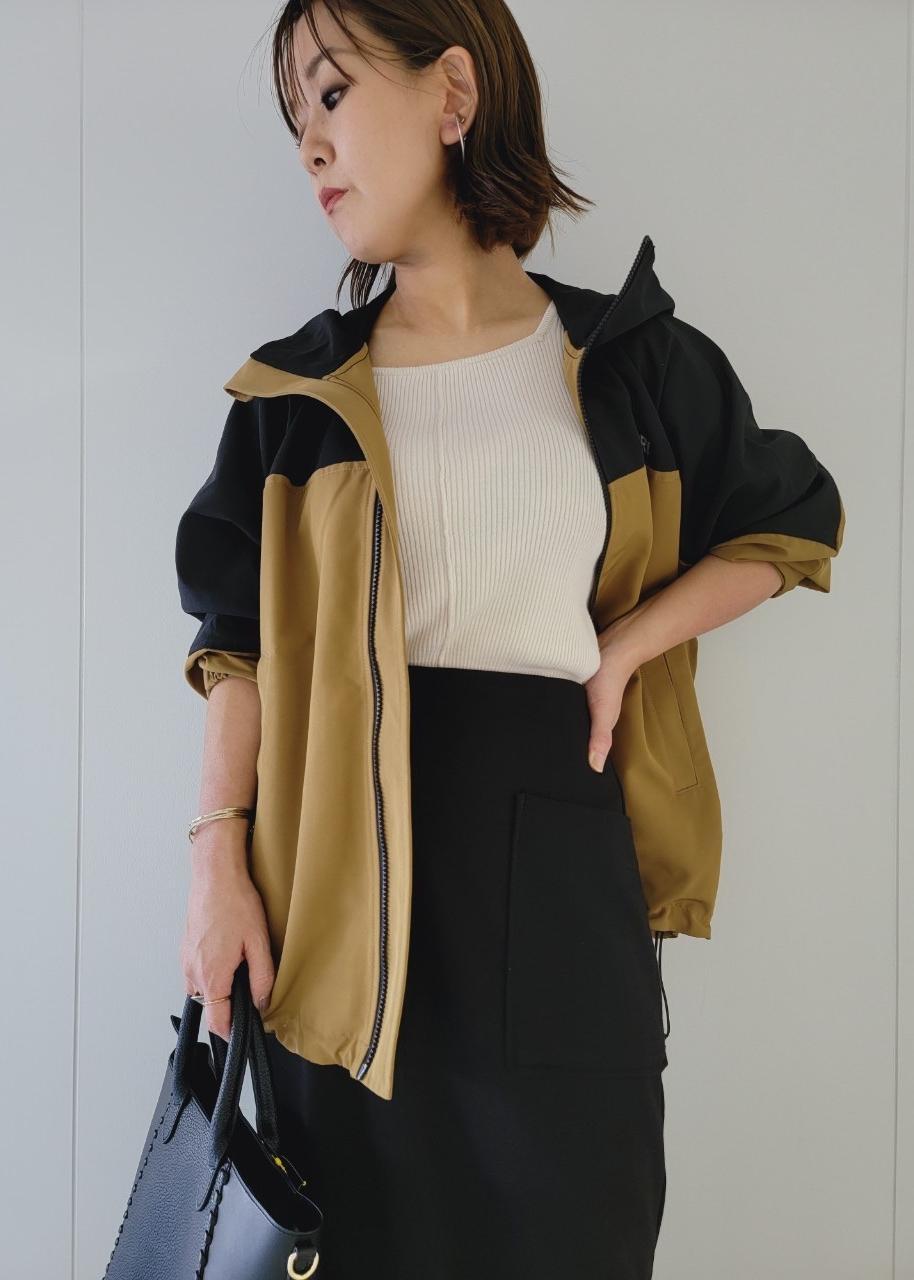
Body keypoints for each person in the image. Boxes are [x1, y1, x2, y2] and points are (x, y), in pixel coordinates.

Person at [175, 2, 846, 1276]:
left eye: (330, 93)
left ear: (451, 91)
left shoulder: (626, 360)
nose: (308, 143)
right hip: (337, 905)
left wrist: (631, 643)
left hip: (559, 883)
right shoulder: (294, 398)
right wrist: (215, 859)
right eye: (294, 117)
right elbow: (236, 638)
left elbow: (791, 520)